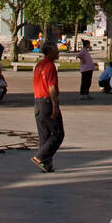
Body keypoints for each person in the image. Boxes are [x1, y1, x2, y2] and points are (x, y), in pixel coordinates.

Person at [30, 43, 63, 173]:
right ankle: (40, 157)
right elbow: (52, 87)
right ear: (49, 52)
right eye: (56, 50)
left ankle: (46, 165)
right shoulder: (50, 66)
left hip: (37, 101)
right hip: (47, 102)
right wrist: (55, 106)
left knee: (44, 135)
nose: (58, 52)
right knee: (58, 134)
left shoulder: (39, 65)